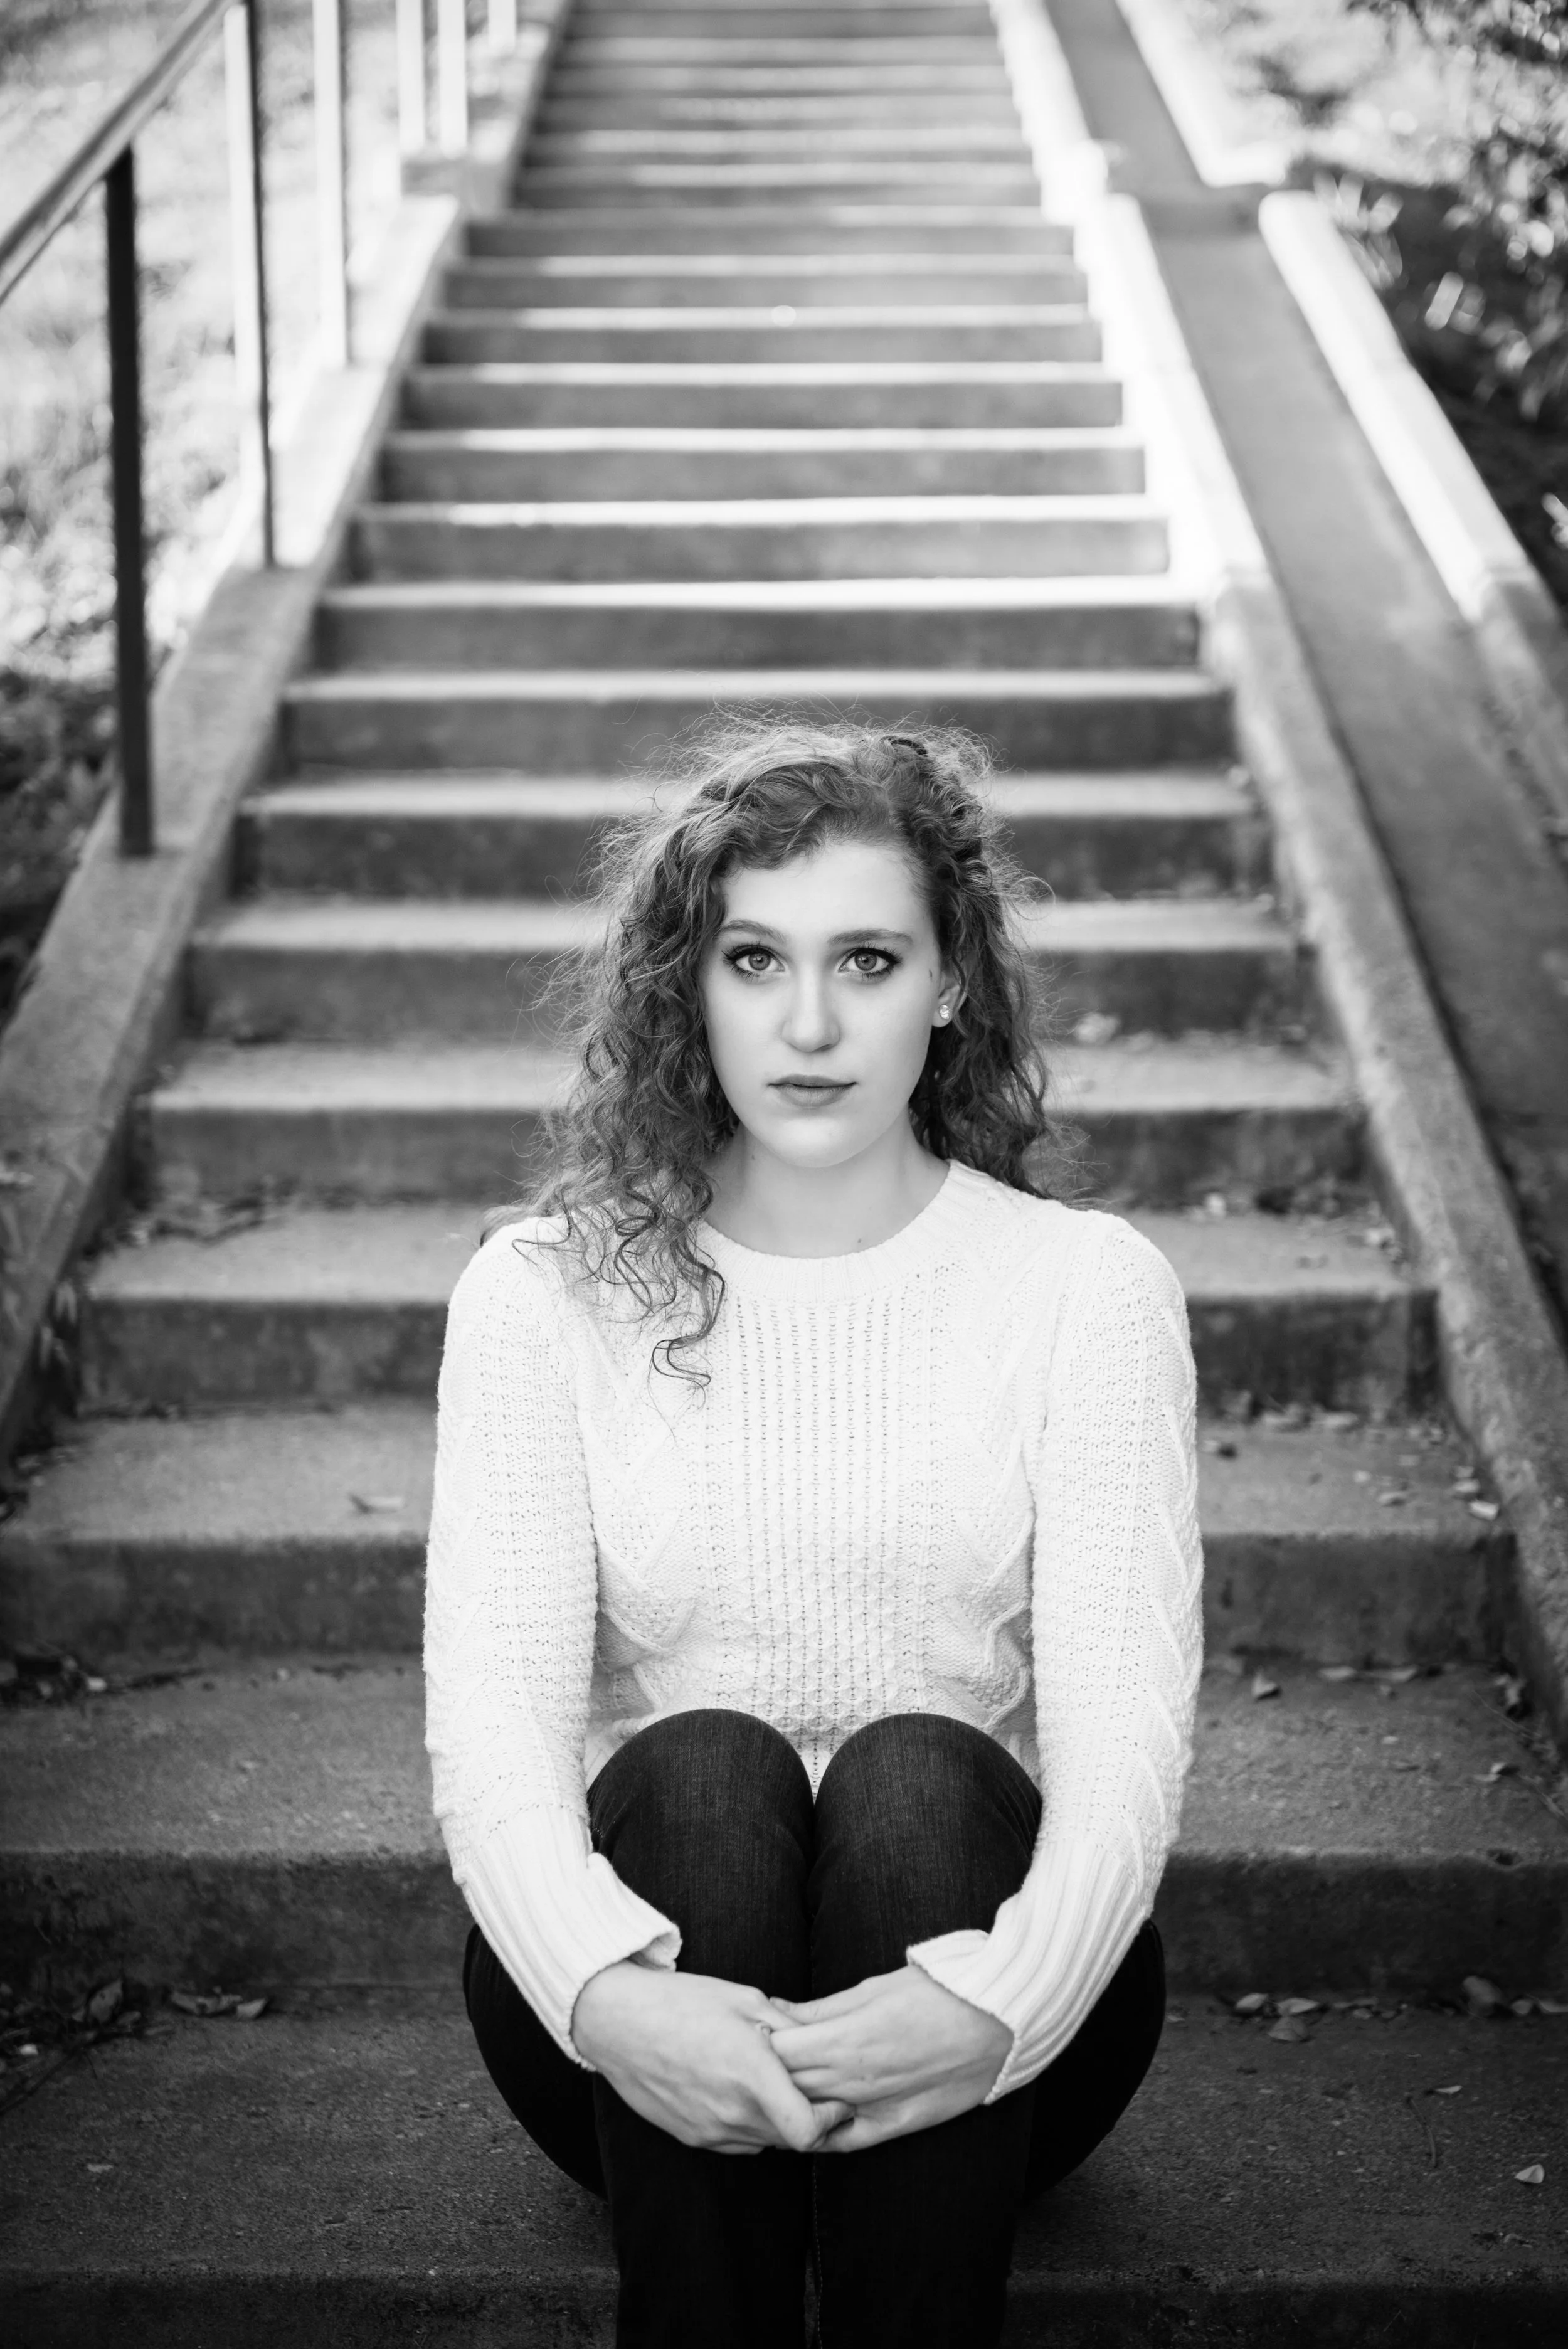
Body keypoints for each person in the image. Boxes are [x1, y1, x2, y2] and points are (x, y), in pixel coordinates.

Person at [424, 721, 1204, 2348]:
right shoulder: (543, 1295)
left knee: (919, 1773)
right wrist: (608, 1995)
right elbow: (492, 1738)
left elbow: (1126, 1742)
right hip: (631, 2032)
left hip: (996, 2025)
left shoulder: (1084, 1291)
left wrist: (997, 2000)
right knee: (706, 1765)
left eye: (867, 959)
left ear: (951, 983)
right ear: (687, 988)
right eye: (753, 959)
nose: (808, 1025)